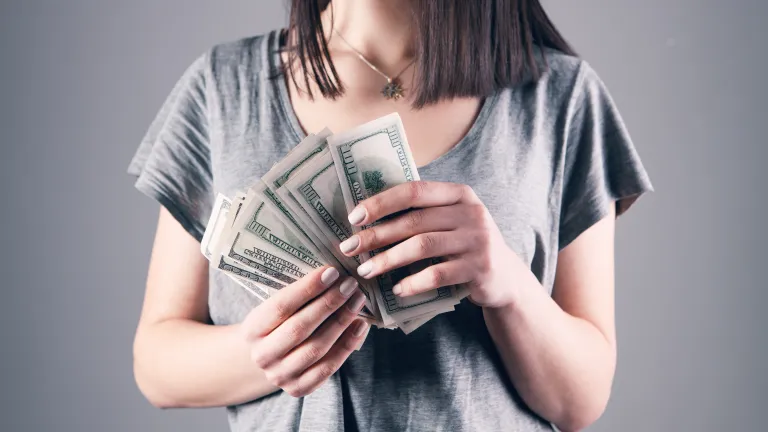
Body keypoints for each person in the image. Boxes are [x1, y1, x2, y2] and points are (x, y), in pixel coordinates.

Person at [128, 1, 653, 431]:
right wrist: (263, 352)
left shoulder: (562, 96)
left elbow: (580, 401)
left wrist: (509, 284)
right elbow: (156, 367)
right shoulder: (222, 86)